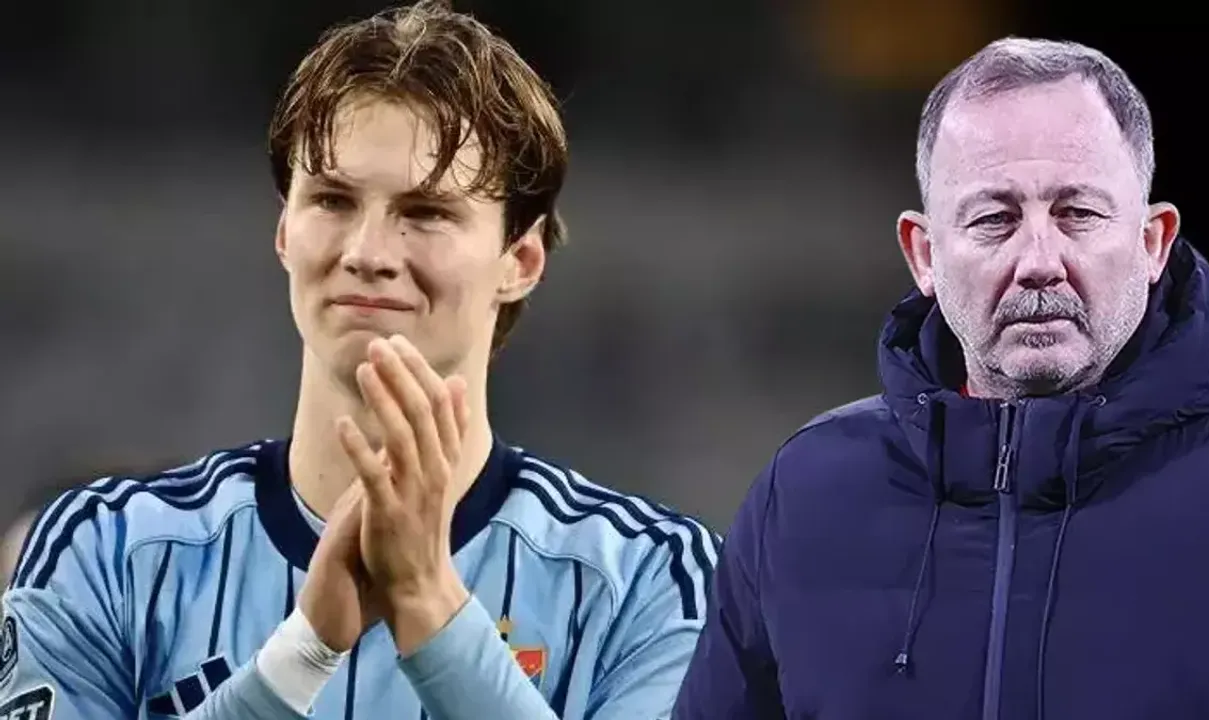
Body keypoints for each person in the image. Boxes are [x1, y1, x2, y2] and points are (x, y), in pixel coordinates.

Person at [0, 3, 719, 719]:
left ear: (520, 260)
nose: (368, 253)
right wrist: (301, 656)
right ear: (285, 232)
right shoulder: (104, 552)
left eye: (427, 212)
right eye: (332, 200)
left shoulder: (655, 582)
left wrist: (431, 610)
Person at [674, 37, 1209, 720]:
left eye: (1078, 214)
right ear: (924, 255)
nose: (1039, 261)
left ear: (1152, 242)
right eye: (995, 220)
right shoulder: (804, 494)